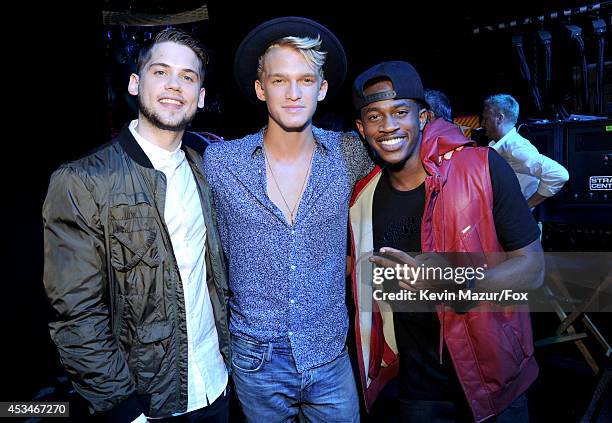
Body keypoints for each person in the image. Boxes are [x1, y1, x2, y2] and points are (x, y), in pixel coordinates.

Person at [43, 28, 231, 422]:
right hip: (148, 405)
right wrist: (122, 409)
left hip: (218, 387)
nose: (173, 85)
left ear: (199, 97)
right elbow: (77, 314)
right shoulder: (83, 181)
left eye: (187, 76)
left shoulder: (206, 168)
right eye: (160, 71)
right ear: (134, 83)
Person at [349, 61, 545, 422]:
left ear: (422, 118)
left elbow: (532, 269)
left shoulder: (483, 168)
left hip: (493, 379)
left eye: (400, 112)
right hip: (417, 390)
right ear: (362, 129)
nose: (388, 126)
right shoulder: (362, 199)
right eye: (374, 117)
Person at [203, 16, 372, 422]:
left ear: (323, 88)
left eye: (306, 80)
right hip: (255, 359)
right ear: (261, 89)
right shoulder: (222, 163)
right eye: (279, 80)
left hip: (329, 352)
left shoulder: (351, 155)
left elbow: (414, 148)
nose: (294, 93)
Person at [481, 94, 569, 208]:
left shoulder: (514, 148)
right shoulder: (502, 146)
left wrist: (525, 207)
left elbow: (559, 174)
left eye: (486, 118)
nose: (482, 123)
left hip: (514, 220)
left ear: (500, 118)